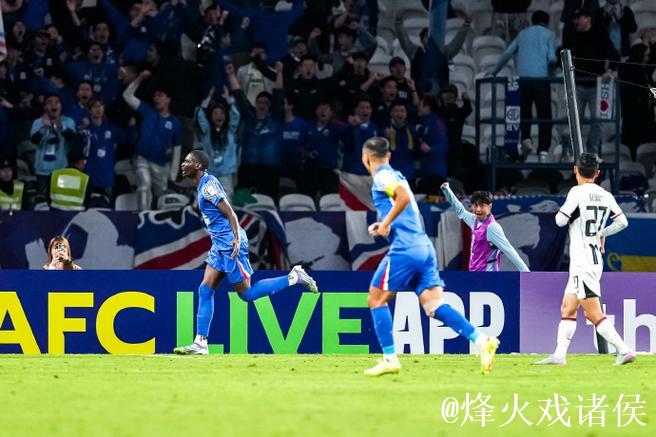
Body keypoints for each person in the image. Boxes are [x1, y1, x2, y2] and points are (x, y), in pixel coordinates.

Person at [361, 137, 499, 377]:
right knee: (434, 305)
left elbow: (403, 198)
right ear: (389, 156)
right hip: (423, 248)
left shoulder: (382, 176)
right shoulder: (397, 175)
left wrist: (384, 223)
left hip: (406, 249)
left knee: (376, 299)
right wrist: (385, 226)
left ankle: (390, 358)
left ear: (366, 158)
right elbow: (405, 208)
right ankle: (482, 340)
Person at [173, 150, 318, 355]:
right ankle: (200, 343)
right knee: (205, 289)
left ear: (197, 166)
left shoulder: (208, 187)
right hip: (219, 245)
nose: (183, 163)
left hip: (230, 244)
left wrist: (237, 240)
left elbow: (231, 213)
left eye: (188, 161)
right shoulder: (203, 184)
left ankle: (294, 277)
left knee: (247, 295)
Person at [536, 153, 634, 366]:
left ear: (575, 170)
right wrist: (602, 233)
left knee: (593, 313)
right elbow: (622, 222)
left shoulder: (576, 192)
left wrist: (571, 214)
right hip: (593, 259)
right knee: (568, 308)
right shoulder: (606, 195)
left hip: (582, 262)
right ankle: (559, 355)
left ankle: (624, 350)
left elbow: (560, 221)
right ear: (598, 173)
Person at [491, 10, 557, 163]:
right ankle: (543, 151)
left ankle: (526, 139)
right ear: (546, 22)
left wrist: (494, 72)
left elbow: (507, 53)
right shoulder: (549, 34)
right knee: (544, 115)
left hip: (523, 80)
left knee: (525, 111)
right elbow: (551, 57)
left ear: (532, 21)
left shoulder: (522, 34)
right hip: (541, 80)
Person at [123, 70, 182, 211]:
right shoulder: (147, 111)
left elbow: (177, 150)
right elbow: (127, 96)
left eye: (160, 95)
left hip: (160, 165)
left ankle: (160, 221)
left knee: (162, 195)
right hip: (141, 158)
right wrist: (140, 78)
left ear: (168, 99)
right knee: (144, 185)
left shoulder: (175, 123)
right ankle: (143, 217)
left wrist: (173, 175)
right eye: (155, 95)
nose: (156, 98)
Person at [441, 183, 530, 272]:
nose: (478, 209)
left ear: (490, 206)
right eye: (475, 205)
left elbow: (510, 251)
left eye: (482, 205)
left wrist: (527, 274)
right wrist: (447, 190)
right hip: (474, 274)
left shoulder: (492, 228)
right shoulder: (474, 220)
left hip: (488, 276)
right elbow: (460, 211)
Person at [193, 85, 240, 199]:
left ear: (226, 116)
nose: (219, 116)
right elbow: (199, 115)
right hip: (210, 173)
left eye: (221, 113)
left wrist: (229, 100)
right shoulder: (206, 130)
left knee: (226, 201)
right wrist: (207, 100)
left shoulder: (230, 130)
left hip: (226, 174)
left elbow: (236, 116)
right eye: (215, 113)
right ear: (210, 116)